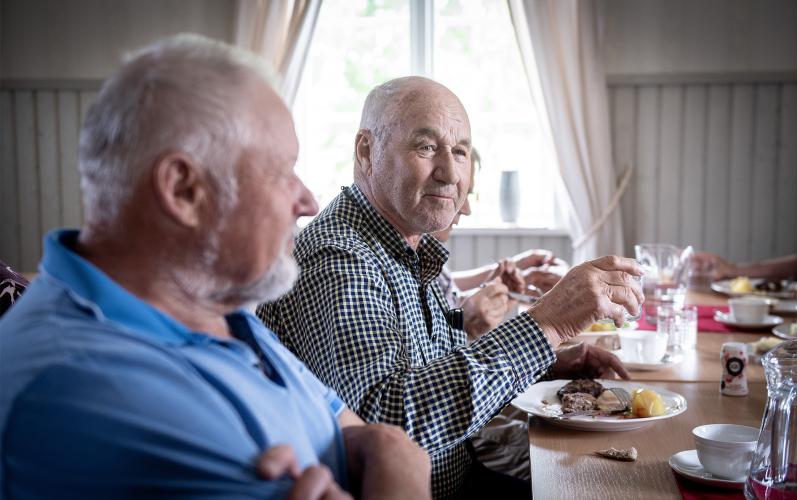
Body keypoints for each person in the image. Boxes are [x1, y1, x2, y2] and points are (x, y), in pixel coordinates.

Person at [0, 35, 431, 499]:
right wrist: (402, 472)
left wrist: (386, 444)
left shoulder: (214, 304)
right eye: (282, 170)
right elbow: (364, 444)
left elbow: (347, 427)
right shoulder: (86, 388)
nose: (307, 201)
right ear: (184, 190)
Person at [258, 76, 642, 499]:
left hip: (463, 473)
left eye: (460, 151)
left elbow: (434, 376)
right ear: (366, 151)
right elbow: (387, 428)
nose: (450, 172)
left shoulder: (405, 243)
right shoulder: (341, 258)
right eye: (426, 147)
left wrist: (546, 364)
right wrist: (545, 325)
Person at [431, 148, 567, 340]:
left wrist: (504, 276)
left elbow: (446, 287)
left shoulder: (427, 253)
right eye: (455, 193)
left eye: (468, 195)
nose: (467, 209)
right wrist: (462, 323)